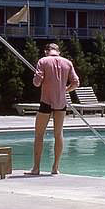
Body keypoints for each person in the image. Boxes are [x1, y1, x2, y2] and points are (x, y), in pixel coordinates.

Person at [28, 43, 79, 175]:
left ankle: (36, 168)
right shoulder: (67, 63)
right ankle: (55, 168)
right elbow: (76, 83)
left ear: (46, 51)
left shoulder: (43, 61)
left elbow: (36, 82)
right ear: (58, 52)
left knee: (39, 134)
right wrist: (65, 89)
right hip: (61, 102)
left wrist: (38, 78)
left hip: (46, 101)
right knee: (58, 134)